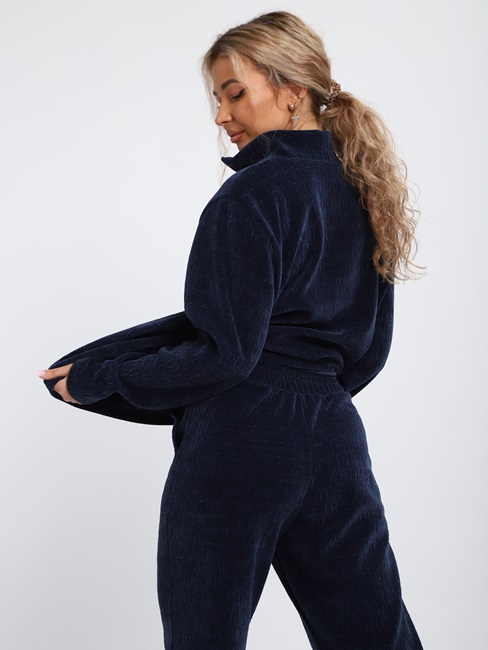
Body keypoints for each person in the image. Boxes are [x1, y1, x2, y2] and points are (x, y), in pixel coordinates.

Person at [39, 11, 424, 650]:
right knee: (374, 635)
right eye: (217, 98)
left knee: (205, 636)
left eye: (235, 93)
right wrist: (309, 400)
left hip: (239, 439)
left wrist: (98, 379)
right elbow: (369, 352)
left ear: (293, 89)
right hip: (335, 438)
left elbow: (224, 354)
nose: (222, 115)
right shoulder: (364, 192)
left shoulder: (250, 195)